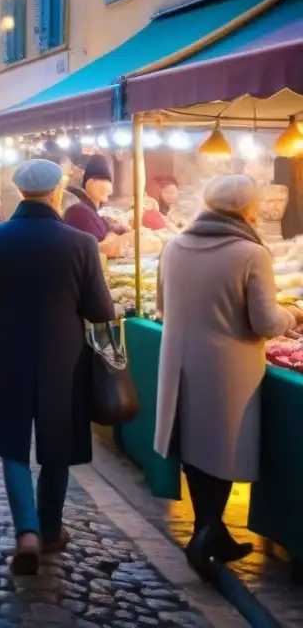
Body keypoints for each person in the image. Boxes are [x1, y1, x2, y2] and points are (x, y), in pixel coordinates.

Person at [0, 159, 113, 575]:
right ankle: (50, 527)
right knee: (57, 441)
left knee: (11, 441)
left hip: (8, 350)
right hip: (63, 355)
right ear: (56, 193)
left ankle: (26, 531)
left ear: (20, 192)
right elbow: (99, 309)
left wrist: (6, 324)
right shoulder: (80, 243)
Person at [154, 175, 303, 576]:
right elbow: (265, 320)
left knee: (194, 448)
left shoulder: (175, 245)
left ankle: (212, 530)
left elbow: (161, 305)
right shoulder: (250, 252)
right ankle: (204, 535)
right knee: (219, 449)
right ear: (247, 208)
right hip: (226, 366)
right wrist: (294, 314)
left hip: (179, 359)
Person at [63, 155, 123, 258]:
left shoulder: (88, 210)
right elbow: (98, 248)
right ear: (90, 182)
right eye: (104, 179)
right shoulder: (80, 210)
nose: (72, 173)